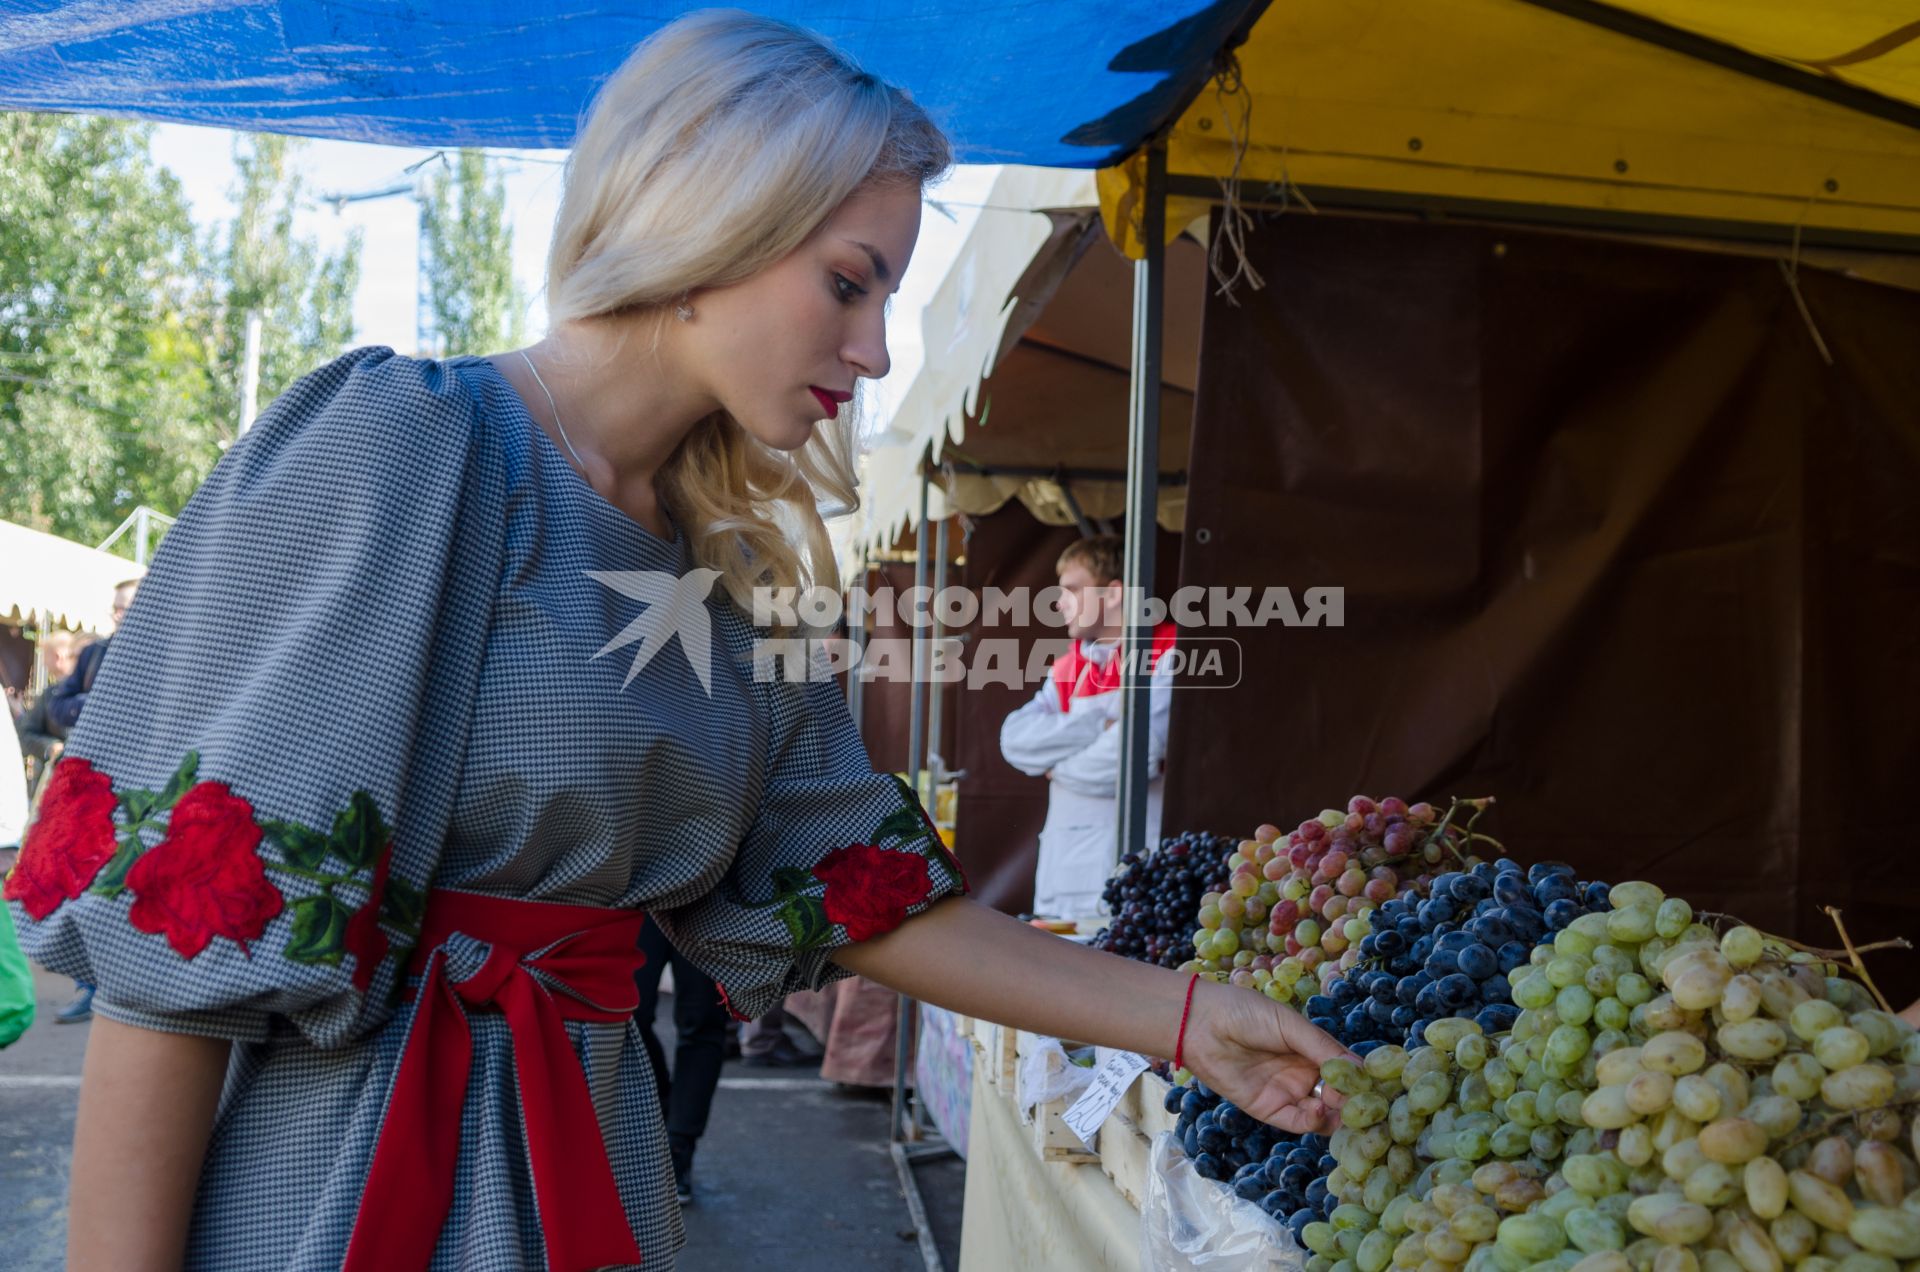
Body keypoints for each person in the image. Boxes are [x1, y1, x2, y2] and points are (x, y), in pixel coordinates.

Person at [4, 14, 1344, 1270]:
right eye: (847, 283)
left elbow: (863, 898)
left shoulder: (725, 575)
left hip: (590, 1166)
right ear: (713, 220)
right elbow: (184, 943)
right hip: (347, 1180)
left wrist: (1181, 1021)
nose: (875, 351)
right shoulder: (408, 447)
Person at [1000, 534, 1177, 918]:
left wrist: (1056, 768)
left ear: (1113, 595)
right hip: (1057, 880)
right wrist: (1101, 722)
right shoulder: (1069, 666)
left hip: (1130, 877)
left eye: (1071, 590)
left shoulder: (1169, 653)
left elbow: (1134, 755)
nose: (1059, 602)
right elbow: (1015, 740)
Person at [28, 578, 139, 1025]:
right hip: (94, 792)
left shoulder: (170, 649)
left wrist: (92, 706)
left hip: (143, 793)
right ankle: (89, 988)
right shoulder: (95, 653)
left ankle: (125, 988)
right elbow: (57, 707)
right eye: (115, 608)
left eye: (125, 607)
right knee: (84, 884)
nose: (117, 615)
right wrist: (99, 705)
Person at [634, 921, 731, 1205]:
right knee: (628, 1014)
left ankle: (679, 1145)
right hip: (641, 893)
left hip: (710, 897)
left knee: (702, 1021)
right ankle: (665, 1108)